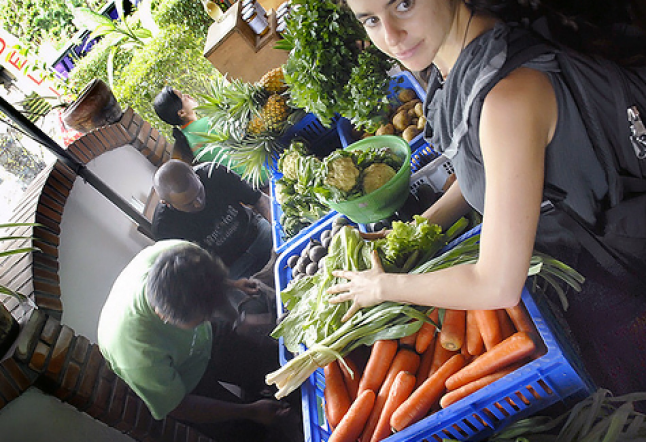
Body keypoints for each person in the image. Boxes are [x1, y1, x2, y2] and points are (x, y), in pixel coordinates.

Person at [327, 0, 646, 399]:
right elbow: (499, 168)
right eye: (371, 20)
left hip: (618, 283)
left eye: (404, 5)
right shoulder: (461, 55)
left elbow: (496, 284)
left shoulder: (505, 96)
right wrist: (423, 224)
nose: (390, 36)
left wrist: (384, 287)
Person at [97, 240, 297, 442]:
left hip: (206, 339)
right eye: (202, 318)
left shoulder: (178, 254)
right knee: (249, 433)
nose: (209, 318)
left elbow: (208, 278)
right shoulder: (137, 354)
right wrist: (250, 411)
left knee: (269, 364)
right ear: (164, 317)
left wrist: (232, 286)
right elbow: (179, 406)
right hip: (184, 382)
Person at [153, 86, 270, 187]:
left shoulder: (187, 136)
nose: (188, 95)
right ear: (182, 113)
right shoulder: (204, 125)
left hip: (247, 181)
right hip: (262, 172)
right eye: (183, 97)